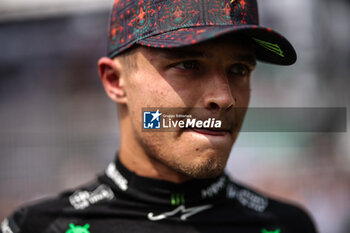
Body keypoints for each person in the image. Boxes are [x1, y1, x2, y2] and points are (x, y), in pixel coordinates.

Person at [1, 0, 317, 232]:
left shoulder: (287, 226)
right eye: (188, 65)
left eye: (239, 70)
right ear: (115, 81)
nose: (224, 98)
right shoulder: (37, 228)